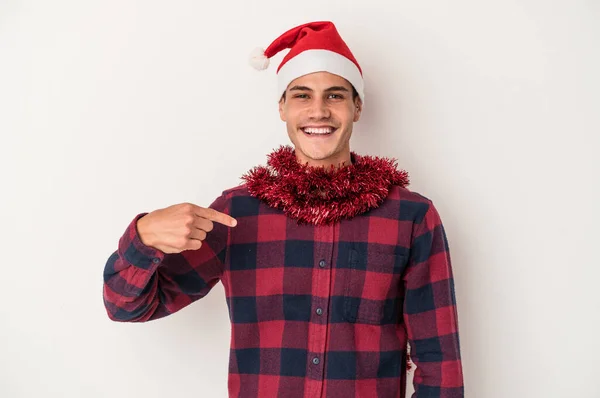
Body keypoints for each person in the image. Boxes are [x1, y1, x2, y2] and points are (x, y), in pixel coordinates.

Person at [103, 20, 464, 398]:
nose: (319, 110)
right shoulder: (235, 213)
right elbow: (125, 306)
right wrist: (143, 240)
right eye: (302, 95)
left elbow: (439, 362)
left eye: (336, 95)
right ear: (282, 108)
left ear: (357, 108)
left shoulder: (410, 218)